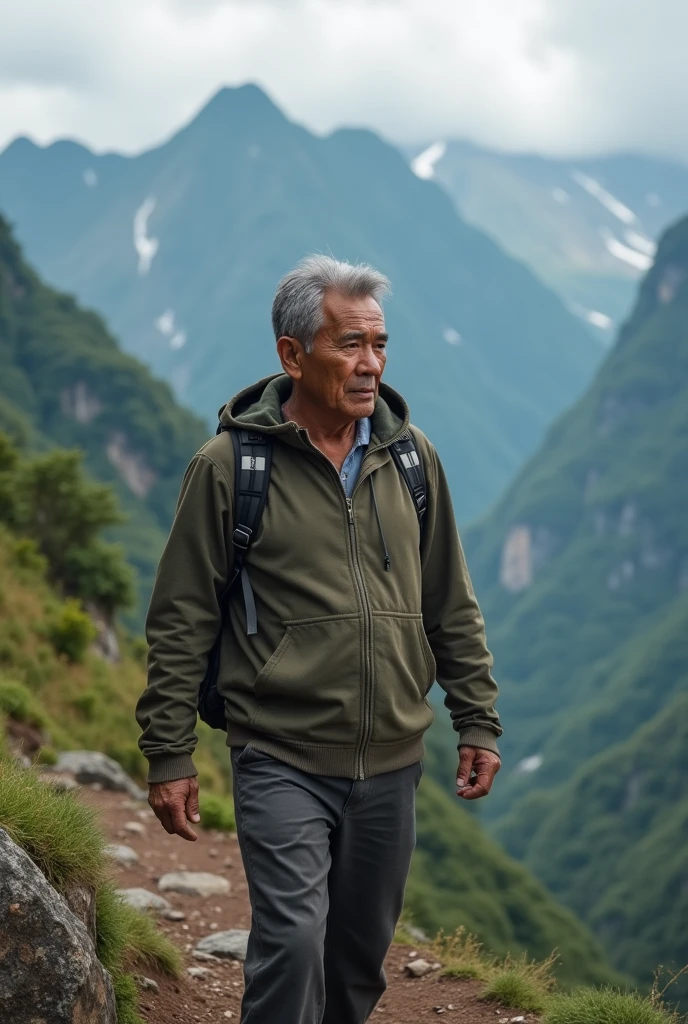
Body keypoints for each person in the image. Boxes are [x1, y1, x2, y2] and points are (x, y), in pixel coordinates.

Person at [136, 255, 502, 1024]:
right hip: (280, 753)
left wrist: (478, 717)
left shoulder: (411, 459)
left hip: (393, 760)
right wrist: (169, 753)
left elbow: (449, 600)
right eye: (349, 345)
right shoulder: (231, 468)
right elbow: (181, 618)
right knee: (293, 942)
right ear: (292, 354)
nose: (370, 365)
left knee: (358, 960)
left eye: (379, 344)